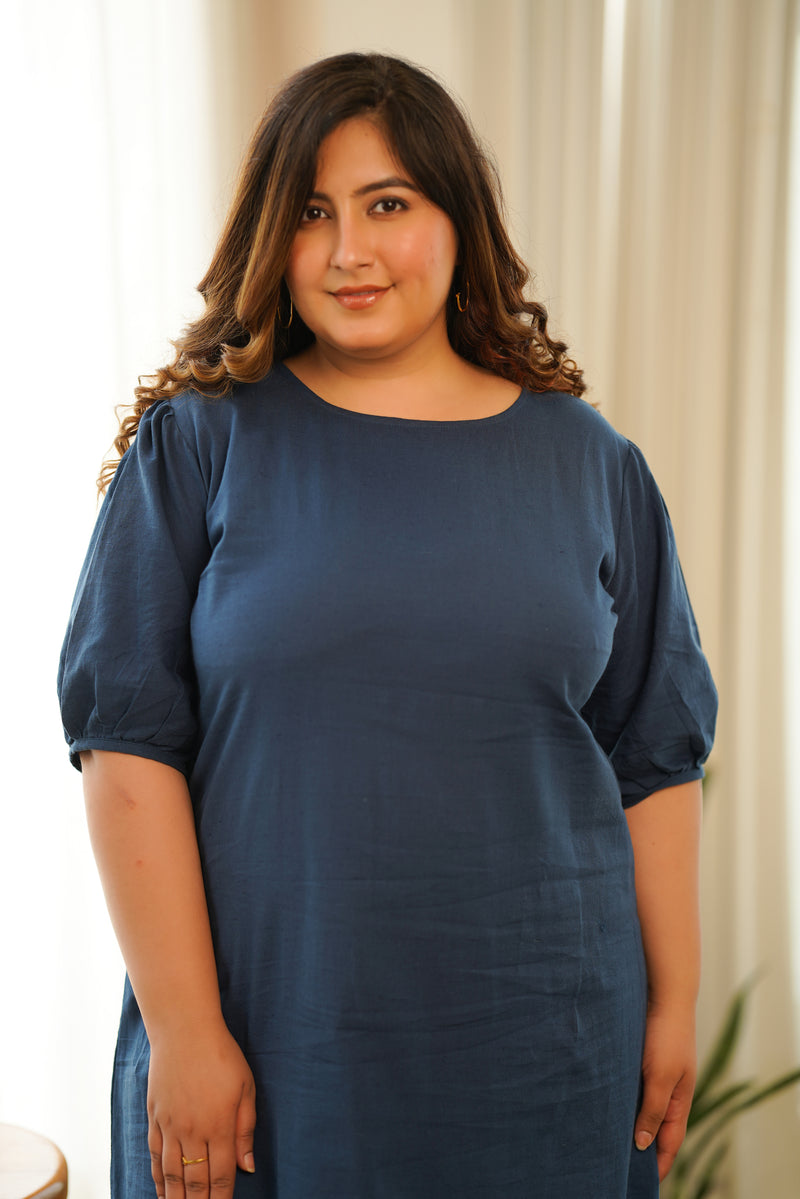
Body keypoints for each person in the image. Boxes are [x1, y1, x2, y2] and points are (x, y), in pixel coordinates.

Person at [58, 51, 717, 1199]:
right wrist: (187, 1031)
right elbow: (125, 747)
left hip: (549, 1051)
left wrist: (673, 1006)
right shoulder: (203, 442)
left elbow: (654, 757)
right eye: (311, 212)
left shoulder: (590, 463)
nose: (347, 251)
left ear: (457, 221)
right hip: (267, 1048)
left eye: (387, 204)